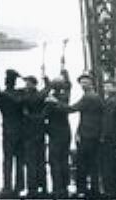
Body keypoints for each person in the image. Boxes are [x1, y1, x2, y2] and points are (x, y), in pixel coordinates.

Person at [69, 72, 104, 197]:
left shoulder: (89, 97)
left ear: (91, 83)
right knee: (92, 163)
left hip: (88, 135)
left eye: (85, 82)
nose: (82, 85)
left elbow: (73, 108)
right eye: (81, 83)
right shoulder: (94, 96)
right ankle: (94, 189)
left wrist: (56, 103)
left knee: (83, 163)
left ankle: (82, 190)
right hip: (91, 134)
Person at [0, 68, 25, 197]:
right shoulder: (19, 93)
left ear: (6, 81)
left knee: (8, 160)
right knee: (19, 160)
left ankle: (7, 187)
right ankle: (18, 187)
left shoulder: (4, 95)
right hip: (20, 130)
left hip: (8, 131)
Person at [43, 69, 72, 197]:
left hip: (54, 133)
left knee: (54, 161)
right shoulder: (65, 97)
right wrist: (65, 73)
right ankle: (65, 186)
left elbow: (44, 115)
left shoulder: (50, 100)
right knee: (64, 159)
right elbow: (69, 86)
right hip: (66, 131)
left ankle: (57, 187)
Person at [21, 75, 49, 197]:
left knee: (31, 162)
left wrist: (28, 115)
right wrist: (46, 80)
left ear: (32, 84)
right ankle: (43, 187)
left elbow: (23, 102)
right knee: (41, 161)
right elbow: (47, 89)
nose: (26, 85)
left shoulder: (27, 97)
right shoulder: (41, 95)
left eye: (27, 83)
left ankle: (32, 188)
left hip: (29, 133)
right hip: (40, 131)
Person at [99, 79, 116, 196]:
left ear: (114, 87)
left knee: (109, 164)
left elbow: (109, 120)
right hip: (115, 136)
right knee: (114, 163)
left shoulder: (113, 101)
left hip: (110, 137)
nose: (106, 89)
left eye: (108, 86)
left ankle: (111, 190)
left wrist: (103, 135)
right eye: (105, 87)